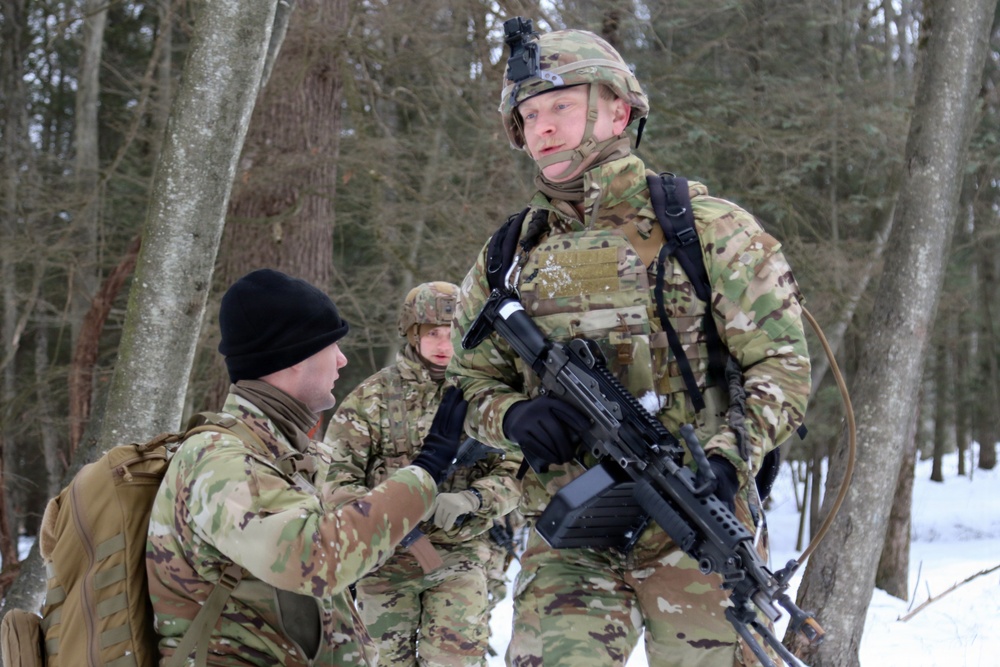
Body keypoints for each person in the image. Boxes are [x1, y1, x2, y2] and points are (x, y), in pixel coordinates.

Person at [448, 20, 811, 667]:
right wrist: (512, 416)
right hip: (569, 543)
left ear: (619, 111)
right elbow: (464, 384)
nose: (543, 128)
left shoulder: (708, 230)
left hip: (694, 529)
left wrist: (727, 461)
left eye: (559, 105)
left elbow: (781, 370)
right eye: (529, 116)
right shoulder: (509, 255)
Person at [146, 268, 468, 666]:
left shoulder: (280, 452)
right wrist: (426, 470)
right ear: (294, 357)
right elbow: (314, 557)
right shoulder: (221, 462)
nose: (342, 359)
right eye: (332, 346)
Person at [323, 281, 522, 667]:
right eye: (433, 333)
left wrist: (473, 498)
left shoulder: (485, 396)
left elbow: (515, 471)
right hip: (383, 561)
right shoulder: (372, 397)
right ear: (412, 332)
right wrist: (391, 515)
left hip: (460, 555)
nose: (444, 343)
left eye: (453, 333)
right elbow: (334, 481)